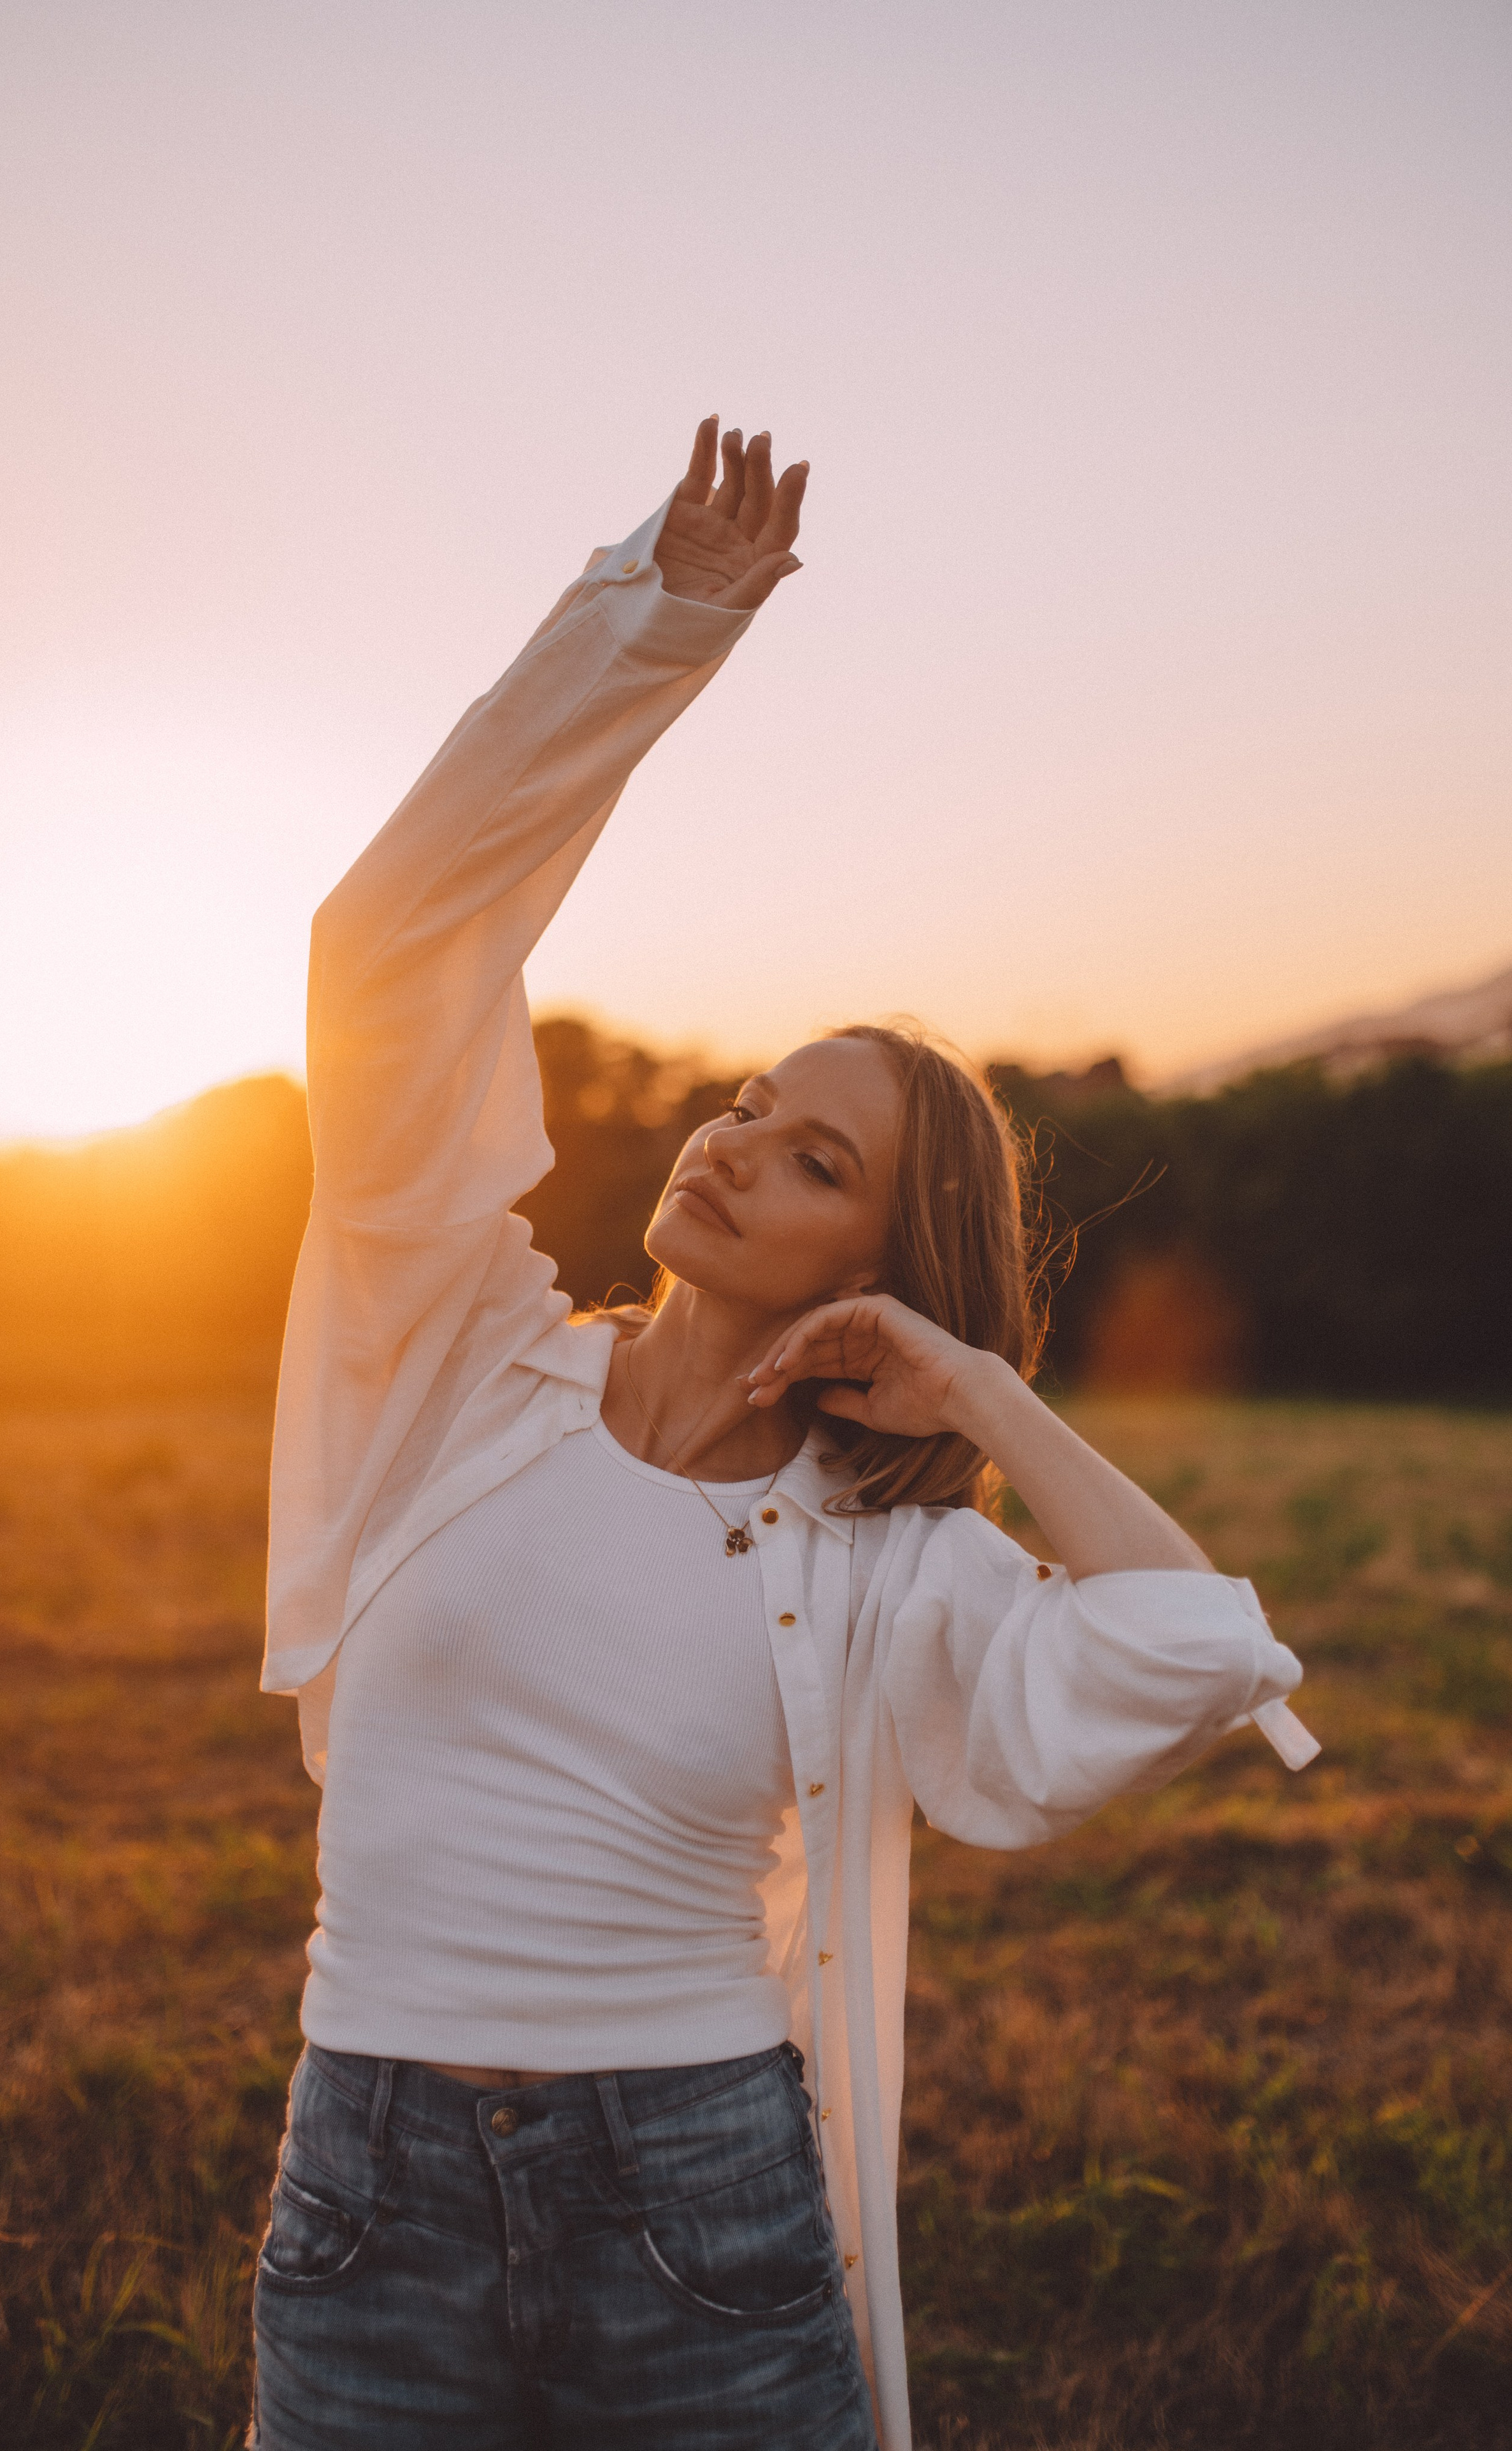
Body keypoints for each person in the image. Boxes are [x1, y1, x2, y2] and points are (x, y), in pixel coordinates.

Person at [251, 417, 1316, 2451]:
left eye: (812, 1157)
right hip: (365, 2184)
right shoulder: (460, 1354)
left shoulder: (880, 1558)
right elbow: (387, 955)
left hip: (698, 2208)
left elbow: (1194, 1656)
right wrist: (662, 622)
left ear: (885, 1254)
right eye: (749, 1100)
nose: (734, 1146)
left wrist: (985, 1400)